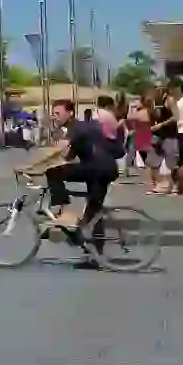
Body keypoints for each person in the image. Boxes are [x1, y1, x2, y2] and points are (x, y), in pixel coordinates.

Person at [33, 99, 119, 267]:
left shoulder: (74, 127)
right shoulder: (80, 128)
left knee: (53, 172)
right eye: (53, 113)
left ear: (70, 112)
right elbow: (67, 157)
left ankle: (64, 211)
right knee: (94, 212)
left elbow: (58, 151)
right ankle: (96, 257)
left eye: (57, 113)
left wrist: (30, 166)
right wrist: (41, 168)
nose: (54, 116)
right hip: (104, 169)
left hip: (98, 169)